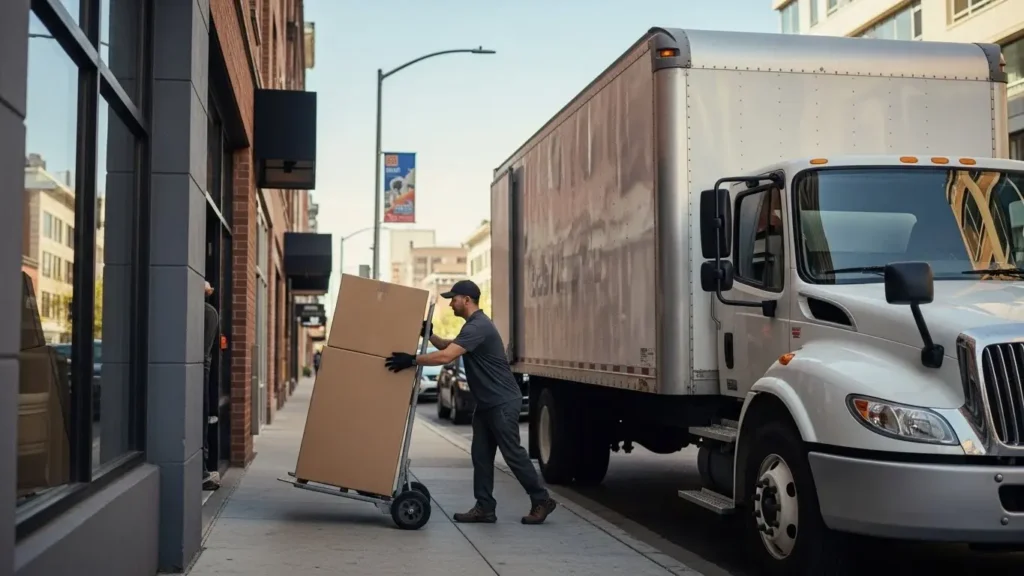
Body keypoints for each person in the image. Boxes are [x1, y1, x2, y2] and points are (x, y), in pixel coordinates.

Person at [385, 279, 557, 524]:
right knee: (481, 457)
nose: (451, 303)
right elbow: (450, 346)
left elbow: (447, 356)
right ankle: (485, 507)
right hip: (487, 404)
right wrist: (430, 335)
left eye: (453, 299)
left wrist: (412, 360)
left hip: (502, 402)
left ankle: (541, 500)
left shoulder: (479, 326)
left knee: (513, 455)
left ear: (466, 300)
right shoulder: (472, 327)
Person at [202, 281, 221, 490]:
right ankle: (203, 471)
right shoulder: (209, 312)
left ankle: (203, 471)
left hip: (200, 371)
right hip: (202, 370)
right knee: (201, 419)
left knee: (201, 419)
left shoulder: (206, 312)